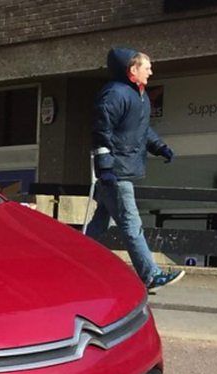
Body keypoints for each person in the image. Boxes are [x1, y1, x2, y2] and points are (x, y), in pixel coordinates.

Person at [86, 47, 184, 293]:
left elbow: (141, 130)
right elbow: (101, 133)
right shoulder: (114, 96)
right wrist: (106, 168)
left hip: (122, 169)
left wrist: (160, 147)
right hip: (117, 173)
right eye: (146, 66)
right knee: (131, 224)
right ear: (132, 70)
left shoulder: (138, 95)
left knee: (99, 225)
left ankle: (75, 263)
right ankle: (151, 275)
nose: (151, 70)